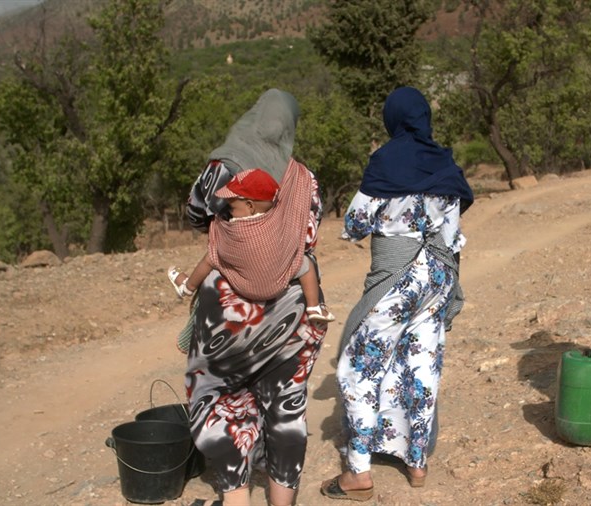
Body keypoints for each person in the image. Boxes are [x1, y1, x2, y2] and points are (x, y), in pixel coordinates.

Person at [320, 86, 473, 501]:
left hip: (397, 278)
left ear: (393, 118)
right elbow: (453, 233)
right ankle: (417, 460)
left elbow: (354, 223)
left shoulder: (386, 161)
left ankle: (358, 472)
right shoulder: (443, 161)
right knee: (421, 363)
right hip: (438, 276)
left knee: (357, 368)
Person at [182, 89, 328, 506]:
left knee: (221, 396)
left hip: (228, 314)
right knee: (286, 406)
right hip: (294, 304)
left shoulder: (221, 169)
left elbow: (195, 215)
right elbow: (309, 236)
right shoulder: (304, 178)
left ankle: (236, 497)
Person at [167, 168, 335, 323]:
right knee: (306, 264)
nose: (228, 210)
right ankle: (314, 307)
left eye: (231, 206)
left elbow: (216, 247)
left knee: (211, 258)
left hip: (244, 287)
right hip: (277, 284)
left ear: (249, 206)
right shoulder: (280, 220)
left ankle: (187, 287)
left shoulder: (231, 230)